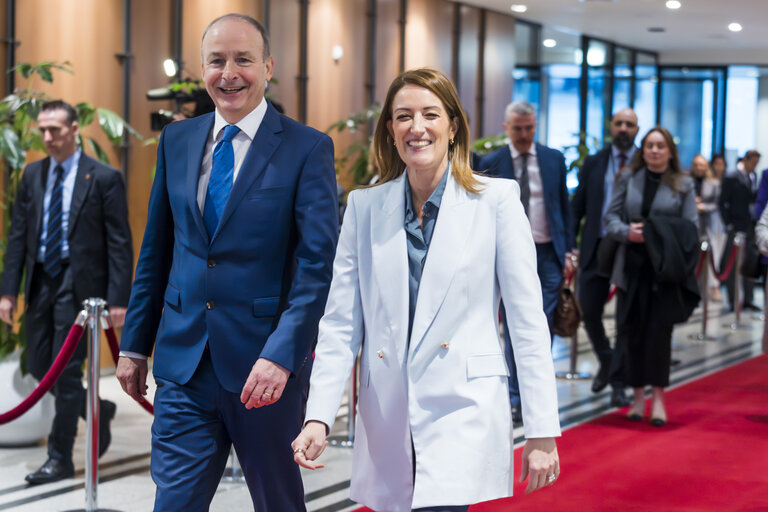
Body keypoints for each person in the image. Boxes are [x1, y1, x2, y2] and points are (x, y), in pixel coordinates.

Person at [291, 68, 561, 512]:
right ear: (390, 131)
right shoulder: (365, 207)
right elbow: (341, 323)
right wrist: (319, 415)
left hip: (463, 407)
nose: (417, 127)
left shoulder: (496, 201)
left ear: (453, 126)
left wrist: (541, 429)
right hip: (388, 410)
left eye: (430, 114)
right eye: (403, 116)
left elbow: (527, 322)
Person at [115, 14, 338, 511]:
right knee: (173, 504)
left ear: (268, 67)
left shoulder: (307, 148)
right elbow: (157, 250)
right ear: (202, 68)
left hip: (265, 372)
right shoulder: (178, 140)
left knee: (278, 503)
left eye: (243, 60)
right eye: (217, 60)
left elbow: (315, 268)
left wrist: (282, 355)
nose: (229, 73)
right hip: (184, 366)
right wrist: (134, 344)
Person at [0, 100, 132, 484]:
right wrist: (9, 292)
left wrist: (119, 299)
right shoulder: (32, 175)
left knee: (68, 372)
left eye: (55, 130)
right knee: (44, 367)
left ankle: (60, 457)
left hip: (81, 285)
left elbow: (119, 242)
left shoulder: (103, 177)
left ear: (74, 130)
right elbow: (19, 235)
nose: (47, 137)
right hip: (41, 281)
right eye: (42, 130)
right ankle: (97, 409)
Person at [477, 101, 573, 422]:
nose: (524, 134)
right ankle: (516, 396)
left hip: (547, 254)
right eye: (517, 128)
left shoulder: (553, 159)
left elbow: (563, 205)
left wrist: (569, 251)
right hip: (504, 258)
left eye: (529, 128)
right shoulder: (491, 162)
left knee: (539, 325)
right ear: (506, 128)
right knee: (511, 324)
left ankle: (535, 391)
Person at [604, 126, 699, 427]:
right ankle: (636, 398)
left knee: (659, 335)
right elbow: (611, 217)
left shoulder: (683, 183)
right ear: (642, 150)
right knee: (630, 331)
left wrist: (658, 235)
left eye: (660, 146)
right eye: (649, 146)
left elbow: (690, 228)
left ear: (670, 151)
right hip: (631, 264)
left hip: (664, 270)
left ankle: (658, 399)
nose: (655, 151)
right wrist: (627, 233)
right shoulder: (628, 178)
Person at [570, 108, 639, 407]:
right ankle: (607, 359)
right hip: (596, 246)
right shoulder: (595, 162)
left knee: (626, 317)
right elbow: (578, 206)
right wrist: (569, 246)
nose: (623, 128)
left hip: (632, 247)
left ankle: (619, 383)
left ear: (637, 129)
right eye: (619, 123)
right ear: (611, 127)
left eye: (629, 124)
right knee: (589, 310)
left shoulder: (644, 161)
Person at [720, 150, 761, 311]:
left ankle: (748, 299)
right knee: (732, 262)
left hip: (750, 226)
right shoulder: (732, 177)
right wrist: (728, 223)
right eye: (753, 162)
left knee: (751, 262)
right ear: (746, 159)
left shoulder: (754, 177)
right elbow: (722, 202)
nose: (754, 166)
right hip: (735, 225)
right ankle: (732, 299)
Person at [697, 154, 726, 301]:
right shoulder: (705, 181)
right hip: (705, 223)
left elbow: (718, 202)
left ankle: (714, 285)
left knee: (716, 254)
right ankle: (707, 286)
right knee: (709, 253)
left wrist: (704, 206)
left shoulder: (717, 182)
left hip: (718, 222)